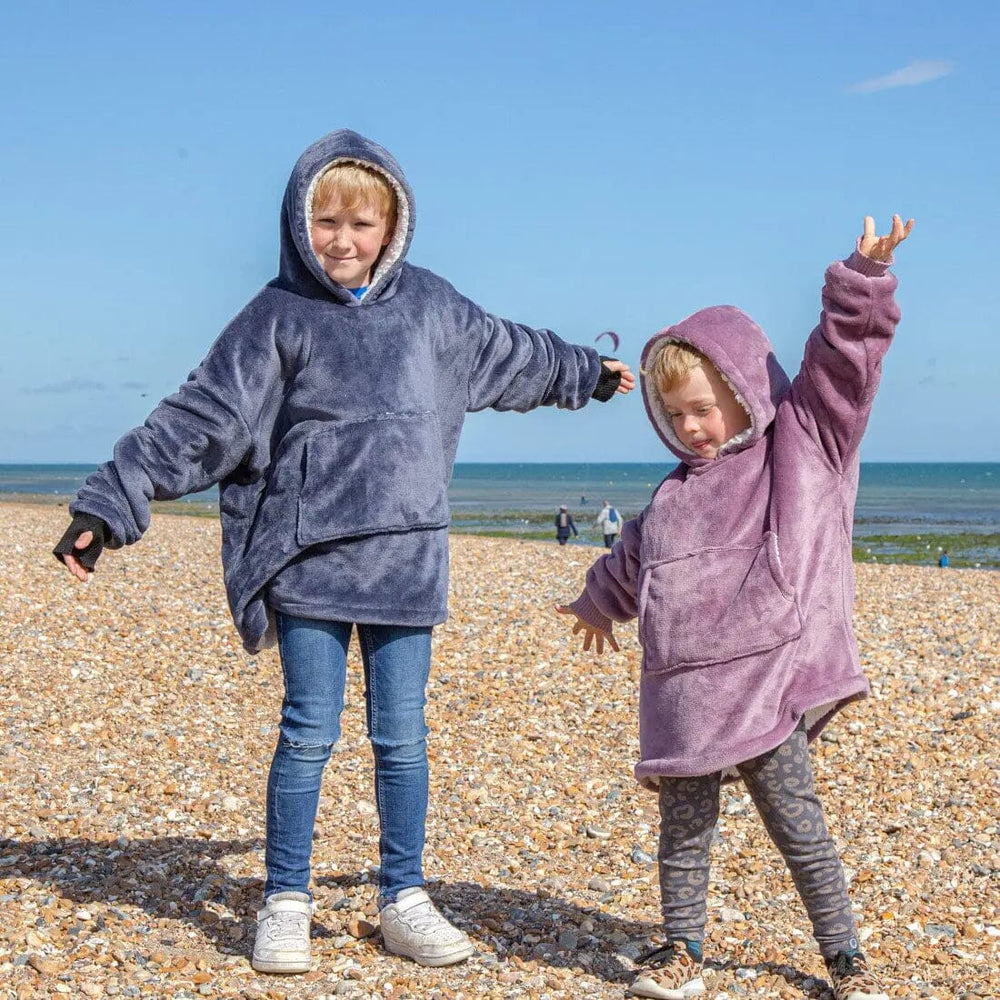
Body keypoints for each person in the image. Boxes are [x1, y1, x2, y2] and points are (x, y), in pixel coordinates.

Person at [52, 129, 634, 976]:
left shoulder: (433, 308)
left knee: (402, 738)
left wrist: (586, 370)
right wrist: (107, 505)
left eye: (362, 224)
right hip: (309, 560)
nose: (343, 240)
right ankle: (286, 897)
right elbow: (200, 418)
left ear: (393, 227)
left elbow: (513, 353)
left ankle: (404, 895)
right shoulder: (275, 317)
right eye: (325, 220)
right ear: (298, 222)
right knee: (308, 732)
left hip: (406, 558)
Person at [557, 214, 912, 1000]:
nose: (690, 428)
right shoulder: (673, 494)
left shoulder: (800, 447)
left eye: (704, 409)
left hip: (765, 687)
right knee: (684, 837)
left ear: (744, 393)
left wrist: (861, 280)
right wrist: (595, 602)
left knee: (801, 832)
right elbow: (637, 559)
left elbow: (842, 369)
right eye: (674, 414)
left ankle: (845, 959)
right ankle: (681, 948)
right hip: (683, 698)